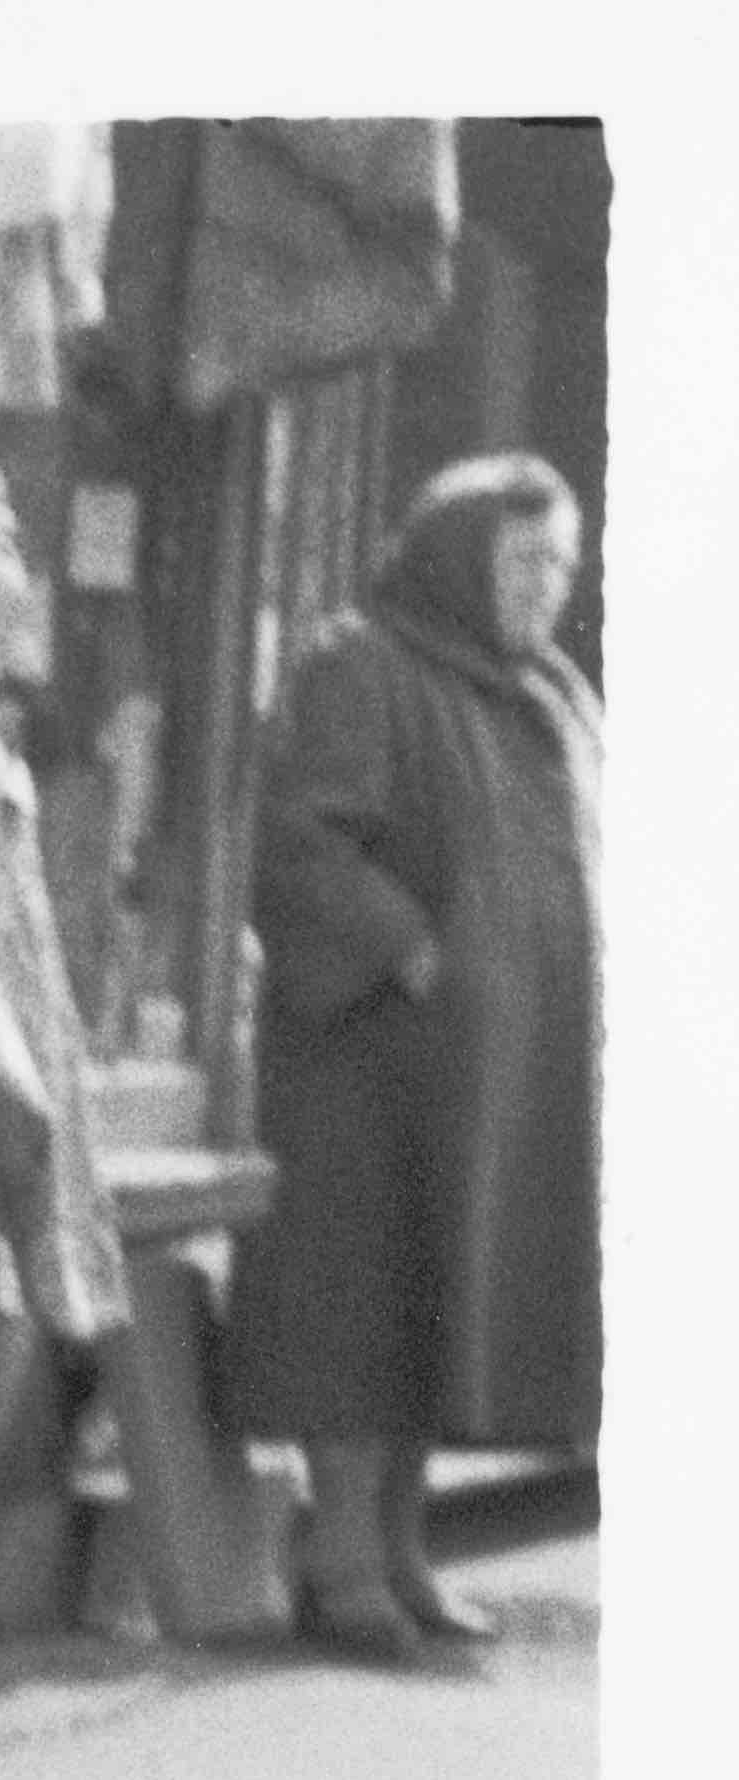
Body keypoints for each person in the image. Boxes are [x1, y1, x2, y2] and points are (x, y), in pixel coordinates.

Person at [221, 453, 598, 1676]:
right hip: (370, 1074)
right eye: (520, 561)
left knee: (444, 1306)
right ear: (456, 557)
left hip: (489, 1081)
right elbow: (295, 845)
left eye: (559, 566)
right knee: (358, 1301)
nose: (545, 589)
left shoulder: (542, 692)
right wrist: (408, 946)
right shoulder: (359, 665)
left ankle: (401, 1550)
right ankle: (339, 1563)